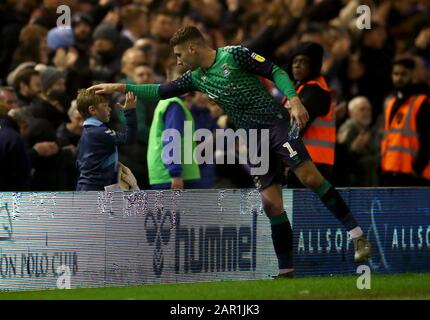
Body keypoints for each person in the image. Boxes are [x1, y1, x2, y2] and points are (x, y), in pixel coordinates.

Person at [89, 26, 371, 277]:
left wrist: (295, 100)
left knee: (310, 178)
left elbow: (275, 71)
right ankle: (286, 272)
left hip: (276, 125)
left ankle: (357, 234)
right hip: (254, 139)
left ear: (192, 47)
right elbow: (161, 90)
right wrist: (121, 86)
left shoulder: (234, 55)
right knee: (271, 205)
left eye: (178, 55)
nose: (177, 61)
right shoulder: (196, 78)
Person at [282, 41, 335, 186]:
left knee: (304, 208)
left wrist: (284, 156)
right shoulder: (298, 89)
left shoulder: (315, 91)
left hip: (313, 165)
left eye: (303, 62)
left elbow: (296, 127)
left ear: (313, 66)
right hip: (302, 162)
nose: (297, 65)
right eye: (295, 61)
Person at [147, 64, 200, 190]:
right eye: (179, 79)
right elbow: (172, 138)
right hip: (173, 177)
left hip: (165, 174)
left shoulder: (168, 103)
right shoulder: (174, 105)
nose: (183, 84)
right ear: (169, 80)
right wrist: (175, 173)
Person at [381, 58, 430, 186]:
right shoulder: (391, 103)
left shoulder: (421, 102)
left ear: (412, 75)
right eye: (395, 74)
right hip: (391, 170)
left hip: (413, 174)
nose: (399, 78)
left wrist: (418, 168)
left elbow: (427, 139)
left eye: (403, 74)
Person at [75, 89, 137, 191]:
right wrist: (130, 111)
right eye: (105, 106)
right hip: (95, 190)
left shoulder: (88, 132)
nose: (110, 109)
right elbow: (129, 138)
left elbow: (78, 163)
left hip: (87, 187)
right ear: (92, 110)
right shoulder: (98, 132)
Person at [337, 96, 379, 187]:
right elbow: (344, 163)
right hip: (353, 187)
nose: (367, 113)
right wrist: (354, 150)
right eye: (362, 109)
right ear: (351, 113)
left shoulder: (371, 131)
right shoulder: (346, 130)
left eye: (369, 109)